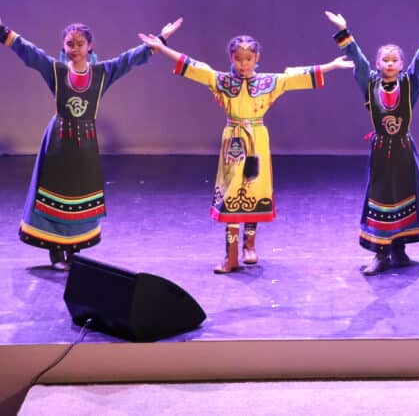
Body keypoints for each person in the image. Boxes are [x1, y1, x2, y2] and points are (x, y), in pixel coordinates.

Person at [138, 30, 352, 273]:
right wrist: (162, 48)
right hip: (234, 139)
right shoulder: (221, 81)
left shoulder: (269, 82)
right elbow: (193, 66)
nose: (243, 64)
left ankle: (249, 246)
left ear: (257, 58)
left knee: (254, 188)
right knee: (232, 192)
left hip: (257, 139)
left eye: (248, 59)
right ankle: (230, 256)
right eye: (238, 59)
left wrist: (332, 65)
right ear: (231, 58)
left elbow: (296, 76)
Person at [1, 16, 182, 269]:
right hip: (59, 141)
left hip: (85, 144)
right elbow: (30, 53)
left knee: (79, 193)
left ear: (90, 46)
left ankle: (73, 247)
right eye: (69, 44)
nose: (74, 48)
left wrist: (160, 40)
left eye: (80, 44)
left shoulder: (100, 74)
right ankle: (56, 251)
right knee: (57, 193)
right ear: (63, 46)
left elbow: (127, 61)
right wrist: (3, 31)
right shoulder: (57, 71)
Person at [325, 10, 419, 275]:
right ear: (378, 63)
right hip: (382, 151)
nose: (391, 63)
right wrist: (343, 30)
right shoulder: (370, 82)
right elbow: (358, 61)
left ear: (401, 64)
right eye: (386, 59)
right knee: (382, 197)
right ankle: (381, 253)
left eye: (395, 60)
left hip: (404, 151)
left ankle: (399, 248)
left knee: (404, 195)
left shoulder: (409, 84)